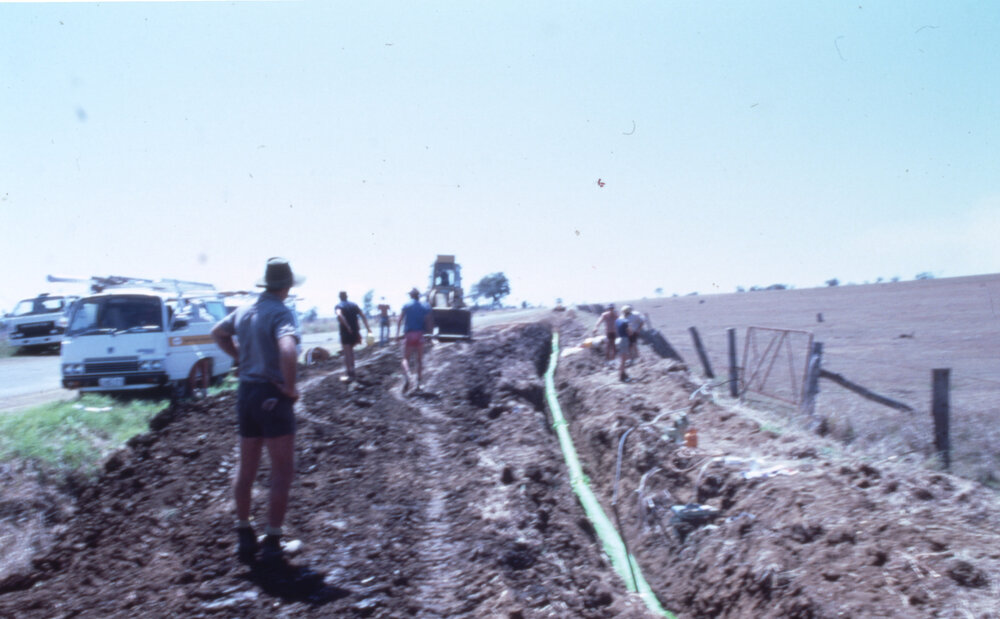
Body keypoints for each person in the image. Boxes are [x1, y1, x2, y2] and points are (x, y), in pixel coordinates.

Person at [211, 257, 303, 565]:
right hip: (271, 395)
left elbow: (218, 333)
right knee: (282, 470)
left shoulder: (245, 309)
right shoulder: (280, 312)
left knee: (246, 467)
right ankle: (274, 541)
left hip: (246, 393)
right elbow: (288, 349)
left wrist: (240, 359)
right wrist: (289, 388)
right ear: (287, 286)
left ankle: (244, 536)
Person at [396, 287, 433, 393]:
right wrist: (429, 335)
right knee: (419, 360)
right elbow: (428, 321)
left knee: (405, 359)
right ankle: (418, 384)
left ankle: (408, 374)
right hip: (420, 335)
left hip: (409, 335)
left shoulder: (406, 305)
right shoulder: (425, 306)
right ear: (418, 296)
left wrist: (397, 335)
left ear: (411, 295)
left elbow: (399, 320)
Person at [336, 291, 371, 381]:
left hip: (345, 332)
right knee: (351, 352)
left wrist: (347, 326)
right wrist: (368, 328)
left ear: (339, 297)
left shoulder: (339, 306)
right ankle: (353, 371)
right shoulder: (354, 305)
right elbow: (363, 315)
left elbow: (339, 315)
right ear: (347, 296)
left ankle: (349, 373)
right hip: (355, 332)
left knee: (347, 353)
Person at [615, 307, 634, 382]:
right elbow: (630, 332)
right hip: (624, 339)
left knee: (622, 358)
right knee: (623, 360)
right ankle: (621, 376)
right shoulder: (626, 321)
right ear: (627, 313)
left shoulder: (617, 320)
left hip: (618, 339)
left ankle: (623, 373)